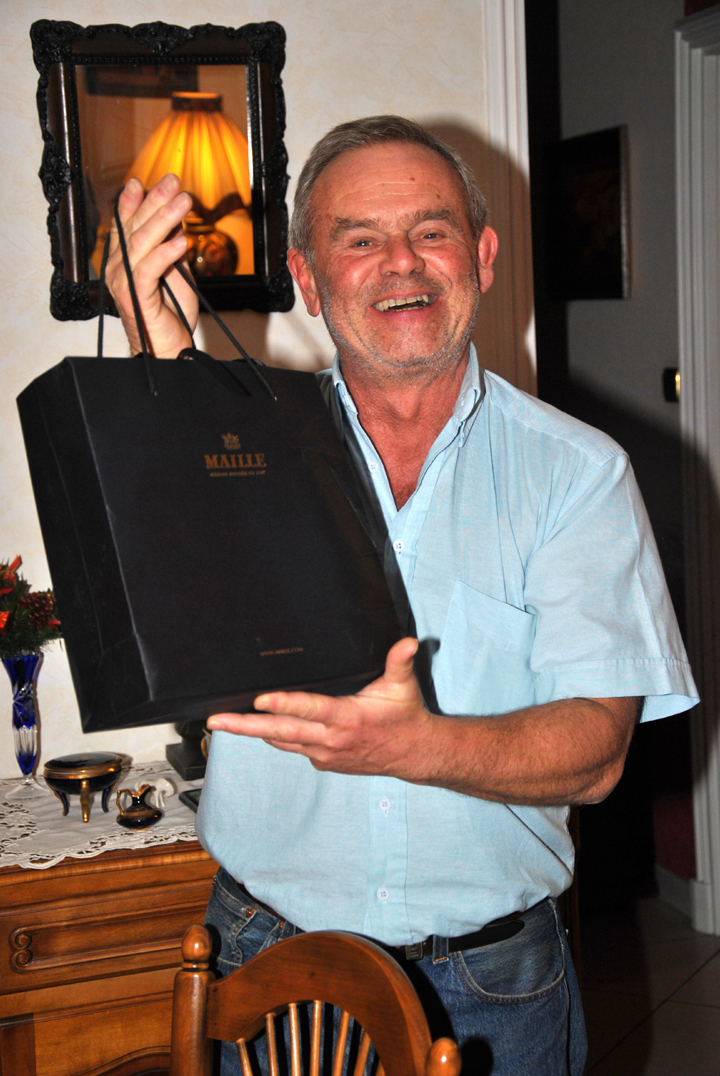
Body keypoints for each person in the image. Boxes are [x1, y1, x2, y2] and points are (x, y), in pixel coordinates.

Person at [106, 116, 698, 1076]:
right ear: (307, 279)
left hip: (493, 987)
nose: (401, 263)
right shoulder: (244, 451)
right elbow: (184, 546)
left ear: (483, 256)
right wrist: (155, 345)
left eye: (431, 230)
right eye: (359, 239)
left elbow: (597, 750)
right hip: (269, 967)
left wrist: (417, 747)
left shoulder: (579, 474)